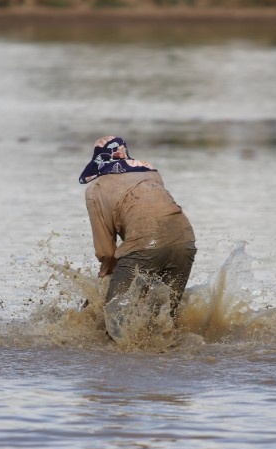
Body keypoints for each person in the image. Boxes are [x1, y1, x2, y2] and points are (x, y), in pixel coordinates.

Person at [78, 136, 196, 324]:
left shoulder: (96, 189)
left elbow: (106, 252)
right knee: (164, 318)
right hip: (185, 240)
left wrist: (105, 281)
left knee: (114, 320)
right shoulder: (150, 173)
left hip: (144, 243)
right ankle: (170, 352)